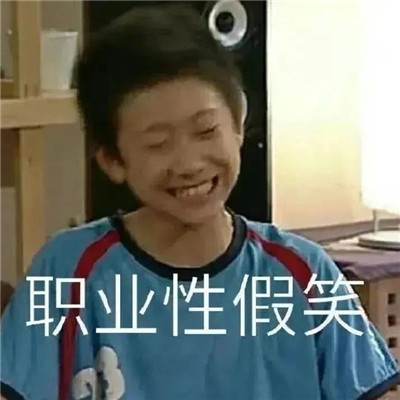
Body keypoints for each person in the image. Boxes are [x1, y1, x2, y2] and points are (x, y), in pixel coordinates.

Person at [1, 5, 399, 400]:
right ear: (112, 160)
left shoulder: (304, 273)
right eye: (158, 144)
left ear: (238, 122)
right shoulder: (67, 273)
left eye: (206, 130)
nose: (189, 164)